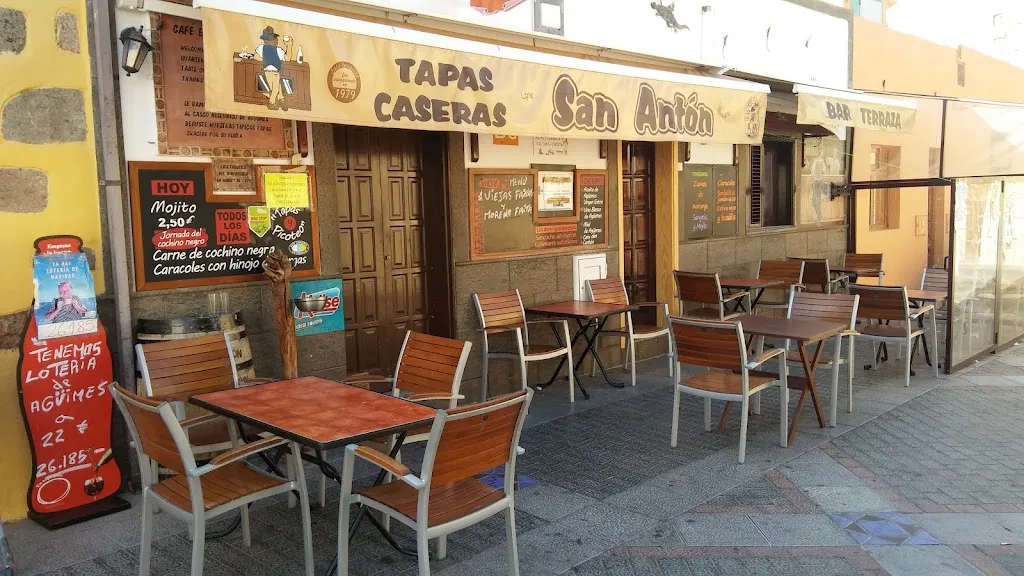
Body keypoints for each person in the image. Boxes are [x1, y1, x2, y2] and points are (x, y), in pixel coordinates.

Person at [256, 26, 289, 111]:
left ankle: (281, 100)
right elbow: (287, 58)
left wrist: (264, 60)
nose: (277, 40)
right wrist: (289, 47)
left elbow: (256, 57)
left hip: (267, 71)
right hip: (275, 72)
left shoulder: (261, 48)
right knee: (275, 88)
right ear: (270, 40)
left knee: (277, 86)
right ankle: (271, 103)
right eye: (275, 38)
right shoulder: (278, 50)